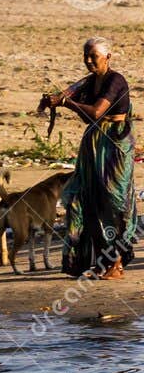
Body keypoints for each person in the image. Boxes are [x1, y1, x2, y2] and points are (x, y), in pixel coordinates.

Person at [42, 37, 134, 280]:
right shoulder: (90, 82)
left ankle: (117, 263)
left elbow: (96, 112)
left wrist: (66, 102)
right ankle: (100, 261)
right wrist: (56, 101)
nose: (89, 60)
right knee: (84, 200)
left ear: (108, 57)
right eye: (86, 55)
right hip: (94, 144)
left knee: (112, 204)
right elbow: (83, 112)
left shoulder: (116, 81)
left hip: (114, 147)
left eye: (93, 56)